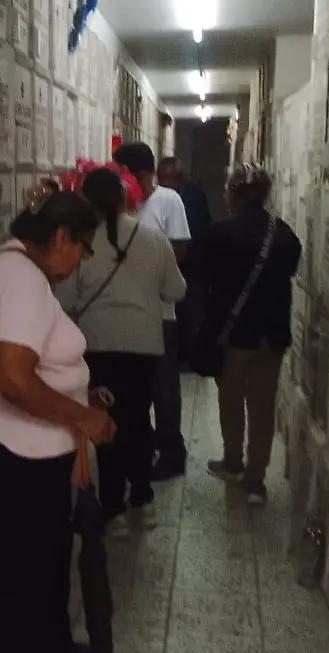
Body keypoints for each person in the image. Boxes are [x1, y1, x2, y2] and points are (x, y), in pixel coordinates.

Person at [0, 188, 118, 653]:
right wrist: (81, 417)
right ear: (59, 236)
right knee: (21, 574)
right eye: (83, 247)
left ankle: (48, 641)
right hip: (20, 450)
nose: (80, 260)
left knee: (46, 557)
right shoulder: (24, 282)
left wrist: (79, 398)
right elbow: (11, 376)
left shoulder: (10, 268)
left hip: (23, 443)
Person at [55, 167, 186, 533]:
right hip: (144, 346)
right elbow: (177, 291)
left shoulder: (82, 242)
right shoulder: (154, 240)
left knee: (106, 422)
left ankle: (112, 509)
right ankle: (142, 501)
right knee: (139, 421)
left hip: (97, 345)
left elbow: (65, 298)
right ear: (124, 198)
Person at [188, 164, 302, 506]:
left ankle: (233, 460)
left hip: (234, 334)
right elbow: (289, 272)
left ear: (233, 193)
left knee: (231, 399)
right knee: (263, 406)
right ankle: (256, 480)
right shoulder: (284, 234)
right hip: (272, 335)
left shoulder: (220, 232)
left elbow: (199, 276)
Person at [112, 142, 192, 481]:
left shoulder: (168, 201)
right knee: (133, 388)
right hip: (124, 316)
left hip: (160, 314)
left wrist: (145, 274)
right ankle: (139, 450)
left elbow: (179, 251)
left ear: (145, 176)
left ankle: (172, 451)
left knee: (164, 388)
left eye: (128, 177)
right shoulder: (119, 206)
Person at [157, 156, 212, 372]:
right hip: (181, 267)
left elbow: (191, 236)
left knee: (190, 312)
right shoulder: (176, 195)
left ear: (176, 177)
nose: (161, 182)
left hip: (192, 269)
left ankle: (189, 358)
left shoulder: (189, 197)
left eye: (165, 178)